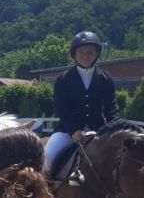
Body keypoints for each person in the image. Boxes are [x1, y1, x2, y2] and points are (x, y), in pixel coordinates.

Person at [44, 31, 120, 182]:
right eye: (82, 52)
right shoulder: (63, 79)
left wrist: (111, 130)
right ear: (74, 54)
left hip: (99, 131)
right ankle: (45, 194)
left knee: (123, 160)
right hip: (67, 132)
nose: (86, 55)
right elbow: (62, 109)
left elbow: (112, 108)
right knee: (48, 157)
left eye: (90, 52)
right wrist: (73, 131)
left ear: (97, 53)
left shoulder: (105, 78)